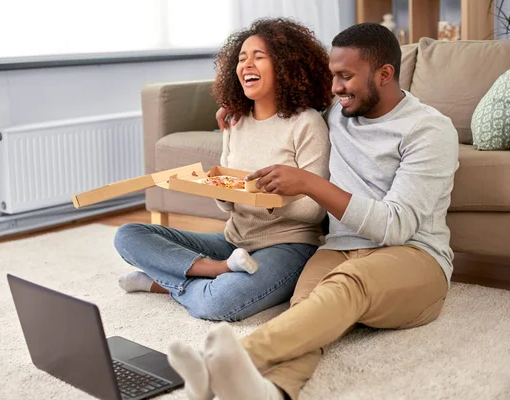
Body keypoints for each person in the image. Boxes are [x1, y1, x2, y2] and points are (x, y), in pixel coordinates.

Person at [166, 22, 459, 400]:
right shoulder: (339, 112)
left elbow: (396, 226)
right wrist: (233, 109)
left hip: (415, 256)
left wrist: (309, 184)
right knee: (306, 313)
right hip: (338, 248)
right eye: (332, 76)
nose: (335, 89)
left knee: (345, 285)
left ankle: (226, 362)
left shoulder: (429, 130)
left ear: (385, 74)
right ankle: (272, 391)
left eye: (345, 77)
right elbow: (284, 101)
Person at [112, 18, 333, 322]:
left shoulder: (307, 124)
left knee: (217, 303)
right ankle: (216, 269)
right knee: (128, 235)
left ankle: (160, 283)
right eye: (242, 58)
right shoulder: (235, 122)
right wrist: (219, 190)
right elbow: (227, 203)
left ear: (285, 66)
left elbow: (314, 211)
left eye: (259, 56)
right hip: (233, 244)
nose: (247, 65)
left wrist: (264, 199)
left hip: (289, 246)